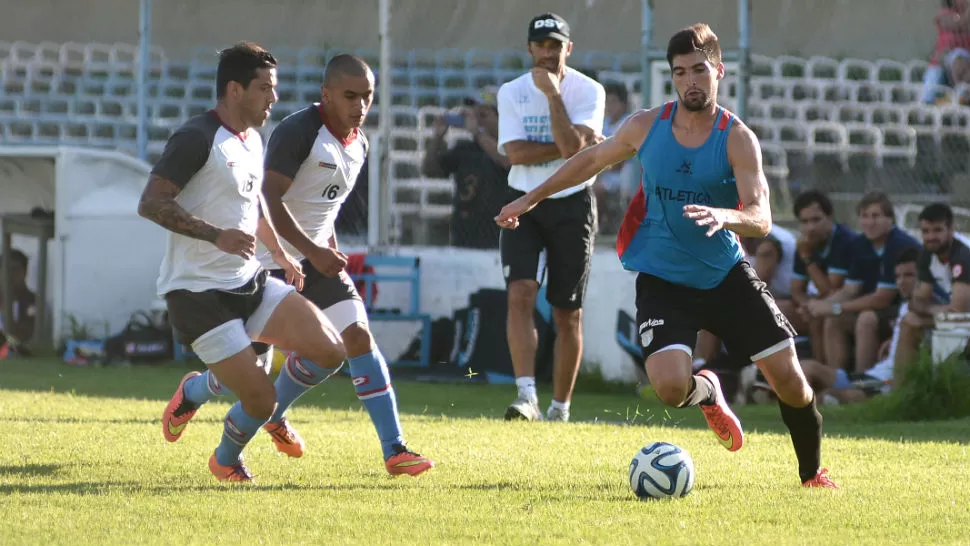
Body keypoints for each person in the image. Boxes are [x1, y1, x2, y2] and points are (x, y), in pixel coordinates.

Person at [496, 23, 837, 488]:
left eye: (700, 70)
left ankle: (812, 474)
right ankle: (707, 391)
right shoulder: (645, 124)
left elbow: (760, 216)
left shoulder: (737, 137)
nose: (690, 81)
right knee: (671, 389)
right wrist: (529, 198)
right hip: (663, 279)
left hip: (725, 275)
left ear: (719, 71)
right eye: (680, 73)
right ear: (672, 78)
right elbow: (588, 161)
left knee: (792, 383)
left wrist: (725, 215)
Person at [166, 54, 433, 476]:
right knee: (249, 371)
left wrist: (328, 252)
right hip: (267, 262)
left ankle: (394, 449)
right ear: (325, 94)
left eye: (367, 97)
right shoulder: (298, 132)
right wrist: (306, 249)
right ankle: (197, 392)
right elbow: (270, 202)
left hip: (316, 260)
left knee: (355, 340)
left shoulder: (360, 144)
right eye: (350, 96)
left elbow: (324, 209)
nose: (360, 106)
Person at [140, 42, 349, 483]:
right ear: (234, 90)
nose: (273, 98)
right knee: (261, 401)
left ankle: (209, 411)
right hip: (197, 295)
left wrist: (281, 254)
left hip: (248, 281)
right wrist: (214, 235)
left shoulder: (253, 139)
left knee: (331, 351)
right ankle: (227, 459)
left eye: (274, 88)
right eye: (264, 88)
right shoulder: (196, 137)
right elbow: (151, 203)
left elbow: (253, 207)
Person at [496, 12, 606, 422]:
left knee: (567, 310)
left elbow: (572, 153)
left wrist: (554, 96)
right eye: (541, 45)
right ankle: (526, 396)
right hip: (522, 198)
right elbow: (517, 154)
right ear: (529, 48)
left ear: (568, 49)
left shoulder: (589, 90)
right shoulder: (511, 91)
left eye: (555, 45)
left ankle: (560, 408)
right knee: (520, 292)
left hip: (572, 202)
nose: (548, 53)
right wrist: (573, 147)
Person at [806, 192, 921, 373]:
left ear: (890, 219)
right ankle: (835, 380)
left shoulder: (900, 244)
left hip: (904, 308)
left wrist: (836, 307)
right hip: (876, 309)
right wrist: (822, 305)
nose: (870, 222)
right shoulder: (861, 244)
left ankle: (862, 382)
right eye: (864, 216)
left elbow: (882, 299)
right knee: (833, 320)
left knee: (866, 319)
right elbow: (850, 289)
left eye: (876, 216)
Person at [800, 247, 920, 403]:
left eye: (909, 275)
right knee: (807, 368)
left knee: (830, 397)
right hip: (872, 375)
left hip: (886, 383)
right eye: (898, 276)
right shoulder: (905, 306)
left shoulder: (925, 310)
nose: (901, 281)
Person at [422, 86, 510, 249]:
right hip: (463, 236)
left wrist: (478, 133)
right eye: (474, 115)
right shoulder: (465, 149)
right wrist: (437, 138)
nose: (477, 120)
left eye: (483, 115)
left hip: (498, 239)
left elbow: (506, 161)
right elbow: (430, 170)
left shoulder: (512, 147)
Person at [893, 203, 970, 385]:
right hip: (960, 320)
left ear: (951, 229)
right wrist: (935, 309)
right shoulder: (928, 254)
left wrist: (927, 309)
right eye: (925, 231)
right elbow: (917, 301)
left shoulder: (963, 256)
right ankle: (900, 391)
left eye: (937, 231)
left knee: (915, 321)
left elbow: (958, 311)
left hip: (964, 320)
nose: (930, 237)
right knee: (910, 321)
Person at [789, 190, 857, 360]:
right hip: (823, 301)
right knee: (777, 308)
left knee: (819, 316)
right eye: (804, 221)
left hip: (849, 303)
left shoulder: (844, 240)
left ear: (830, 218)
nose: (810, 227)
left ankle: (826, 374)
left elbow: (830, 289)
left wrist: (807, 257)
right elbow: (796, 290)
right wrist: (807, 304)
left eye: (816, 220)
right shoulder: (805, 242)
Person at [0, 249, 37, 355]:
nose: (10, 275)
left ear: (25, 272)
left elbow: (25, 336)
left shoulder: (32, 302)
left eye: (15, 269)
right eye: (5, 269)